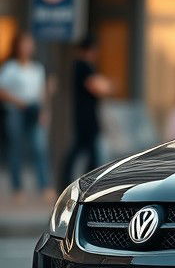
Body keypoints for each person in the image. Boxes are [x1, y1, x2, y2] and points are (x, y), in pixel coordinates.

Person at [0, 32, 53, 203]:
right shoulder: (10, 68)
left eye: (30, 44)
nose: (27, 47)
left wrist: (44, 112)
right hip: (16, 110)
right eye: (24, 44)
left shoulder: (37, 68)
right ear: (17, 46)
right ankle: (17, 189)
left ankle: (44, 186)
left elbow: (42, 93)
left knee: (39, 148)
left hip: (34, 110)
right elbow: (2, 91)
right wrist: (18, 102)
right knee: (16, 149)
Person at [62, 35, 111, 189]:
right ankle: (89, 183)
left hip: (86, 114)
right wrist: (106, 86)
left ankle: (84, 182)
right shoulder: (83, 66)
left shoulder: (81, 66)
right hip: (86, 116)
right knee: (87, 151)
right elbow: (97, 87)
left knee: (84, 150)